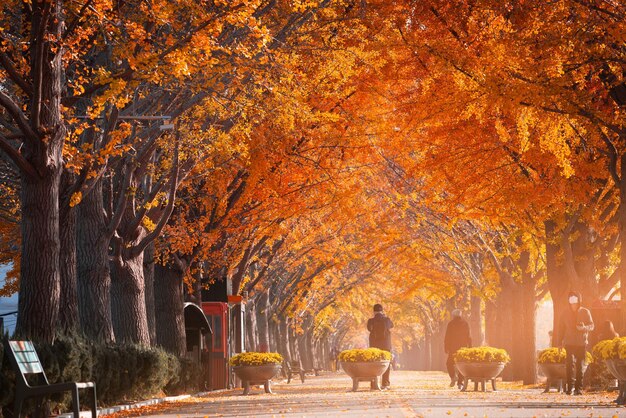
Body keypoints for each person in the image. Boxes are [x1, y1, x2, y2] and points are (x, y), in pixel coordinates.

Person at [558, 291, 594, 395]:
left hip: (581, 343)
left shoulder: (585, 312)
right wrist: (559, 343)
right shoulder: (564, 313)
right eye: (571, 302)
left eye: (575, 302)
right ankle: (570, 388)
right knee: (570, 364)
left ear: (579, 301)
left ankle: (579, 388)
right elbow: (561, 329)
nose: (573, 304)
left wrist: (583, 328)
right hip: (569, 343)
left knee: (580, 365)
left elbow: (592, 326)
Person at [367, 303, 394, 389]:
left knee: (373, 364)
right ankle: (385, 384)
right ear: (382, 311)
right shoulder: (387, 320)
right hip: (386, 346)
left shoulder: (370, 321)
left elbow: (368, 329)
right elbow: (392, 325)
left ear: (374, 312)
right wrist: (384, 317)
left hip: (374, 346)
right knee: (386, 364)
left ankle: (374, 384)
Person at [444, 309, 471, 389]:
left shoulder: (451, 324)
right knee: (462, 365)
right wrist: (470, 346)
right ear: (460, 315)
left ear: (453, 315)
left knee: (449, 363)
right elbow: (468, 336)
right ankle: (460, 382)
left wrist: (446, 347)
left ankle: (453, 377)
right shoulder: (465, 323)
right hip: (463, 348)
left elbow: (447, 336)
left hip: (453, 348)